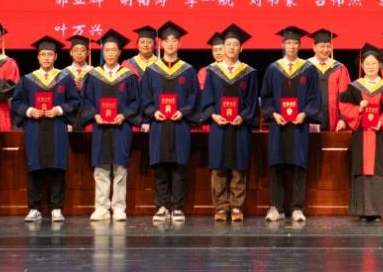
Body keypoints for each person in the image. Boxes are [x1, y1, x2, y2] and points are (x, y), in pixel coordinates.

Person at [13, 35, 80, 223]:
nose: (46, 58)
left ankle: (56, 208)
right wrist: (29, 111)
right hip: (34, 128)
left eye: (50, 54)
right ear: (38, 57)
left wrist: (59, 110)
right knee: (34, 168)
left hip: (57, 127)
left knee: (57, 168)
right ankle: (34, 208)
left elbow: (75, 102)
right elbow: (16, 103)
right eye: (43, 54)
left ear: (56, 56)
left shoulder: (64, 79)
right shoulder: (28, 80)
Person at [260, 25, 321, 223]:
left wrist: (305, 113)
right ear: (283, 44)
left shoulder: (308, 70)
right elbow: (266, 97)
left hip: (298, 127)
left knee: (298, 166)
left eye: (295, 43)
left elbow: (314, 98)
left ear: (300, 45)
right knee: (276, 166)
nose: (292, 46)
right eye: (289, 43)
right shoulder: (273, 69)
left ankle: (297, 208)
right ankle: (276, 208)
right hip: (278, 126)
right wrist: (273, 113)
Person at [199, 23, 259, 223]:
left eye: (235, 44)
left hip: (240, 127)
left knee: (238, 168)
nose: (232, 48)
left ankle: (236, 207)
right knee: (218, 167)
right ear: (222, 48)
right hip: (219, 126)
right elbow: (207, 99)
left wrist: (243, 115)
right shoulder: (212, 72)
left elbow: (252, 101)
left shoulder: (249, 73)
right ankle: (221, 207)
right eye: (228, 44)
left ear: (241, 48)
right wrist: (213, 115)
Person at [140, 22, 198, 224]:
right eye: (167, 40)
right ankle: (162, 206)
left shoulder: (188, 71)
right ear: (161, 44)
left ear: (179, 44)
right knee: (160, 168)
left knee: (179, 168)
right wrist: (153, 112)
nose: (171, 43)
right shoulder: (151, 71)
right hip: (159, 125)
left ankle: (177, 207)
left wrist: (183, 112)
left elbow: (194, 98)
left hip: (179, 125)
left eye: (174, 40)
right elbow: (145, 98)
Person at [80, 29, 139, 222]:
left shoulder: (128, 76)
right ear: (102, 52)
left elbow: (135, 103)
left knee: (120, 168)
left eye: (114, 50)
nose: (110, 53)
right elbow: (86, 101)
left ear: (120, 52)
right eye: (107, 50)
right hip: (101, 127)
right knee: (101, 168)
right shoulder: (93, 76)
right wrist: (95, 115)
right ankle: (101, 208)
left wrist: (124, 115)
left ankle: (119, 207)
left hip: (121, 127)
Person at [339, 44, 383, 221]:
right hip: (361, 133)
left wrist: (382, 122)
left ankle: (377, 211)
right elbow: (345, 107)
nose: (371, 66)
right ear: (362, 65)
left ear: (380, 65)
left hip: (380, 134)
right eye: (367, 63)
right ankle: (362, 210)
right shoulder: (354, 87)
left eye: (374, 63)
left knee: (378, 169)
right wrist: (359, 109)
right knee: (361, 168)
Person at [308, 28, 351, 131]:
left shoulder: (339, 68)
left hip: (334, 121)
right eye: (322, 46)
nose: (325, 49)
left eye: (328, 46)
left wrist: (342, 119)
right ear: (314, 47)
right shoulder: (305, 68)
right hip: (309, 119)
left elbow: (346, 96)